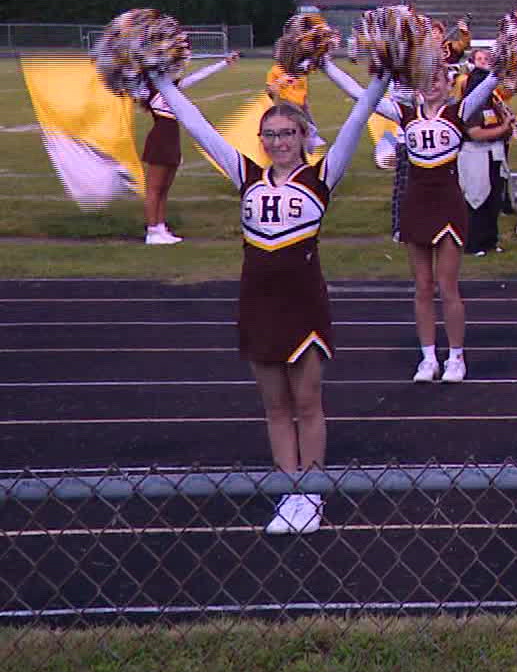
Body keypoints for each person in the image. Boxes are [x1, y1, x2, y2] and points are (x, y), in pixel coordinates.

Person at [153, 59, 389, 534]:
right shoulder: (245, 175)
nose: (279, 142)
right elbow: (197, 126)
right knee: (275, 407)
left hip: (303, 301)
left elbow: (358, 119)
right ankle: (289, 492)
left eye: (287, 133)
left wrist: (381, 78)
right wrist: (160, 82)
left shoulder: (321, 178)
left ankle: (314, 494)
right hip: (257, 302)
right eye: (271, 134)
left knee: (307, 402)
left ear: (304, 136)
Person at [322, 57, 498, 382]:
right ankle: (428, 357)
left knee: (447, 286)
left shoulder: (457, 112)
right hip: (416, 203)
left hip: (447, 203)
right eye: (426, 79)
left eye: (438, 80)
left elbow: (491, 81)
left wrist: (513, 54)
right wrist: (326, 64)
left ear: (448, 85)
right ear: (417, 84)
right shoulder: (405, 114)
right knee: (422, 287)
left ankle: (456, 358)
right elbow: (362, 95)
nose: (432, 85)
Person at [138, 52, 238, 243]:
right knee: (154, 188)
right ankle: (152, 230)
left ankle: (160, 227)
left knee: (164, 188)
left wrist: (224, 63)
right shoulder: (147, 90)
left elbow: (198, 76)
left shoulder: (174, 89)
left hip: (172, 140)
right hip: (159, 139)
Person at [457, 48, 513, 256]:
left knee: (494, 199)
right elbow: (475, 133)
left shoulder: (494, 103)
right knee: (476, 199)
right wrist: (503, 128)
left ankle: (490, 240)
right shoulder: (468, 107)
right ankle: (474, 243)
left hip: (493, 155)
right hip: (475, 155)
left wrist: (506, 128)